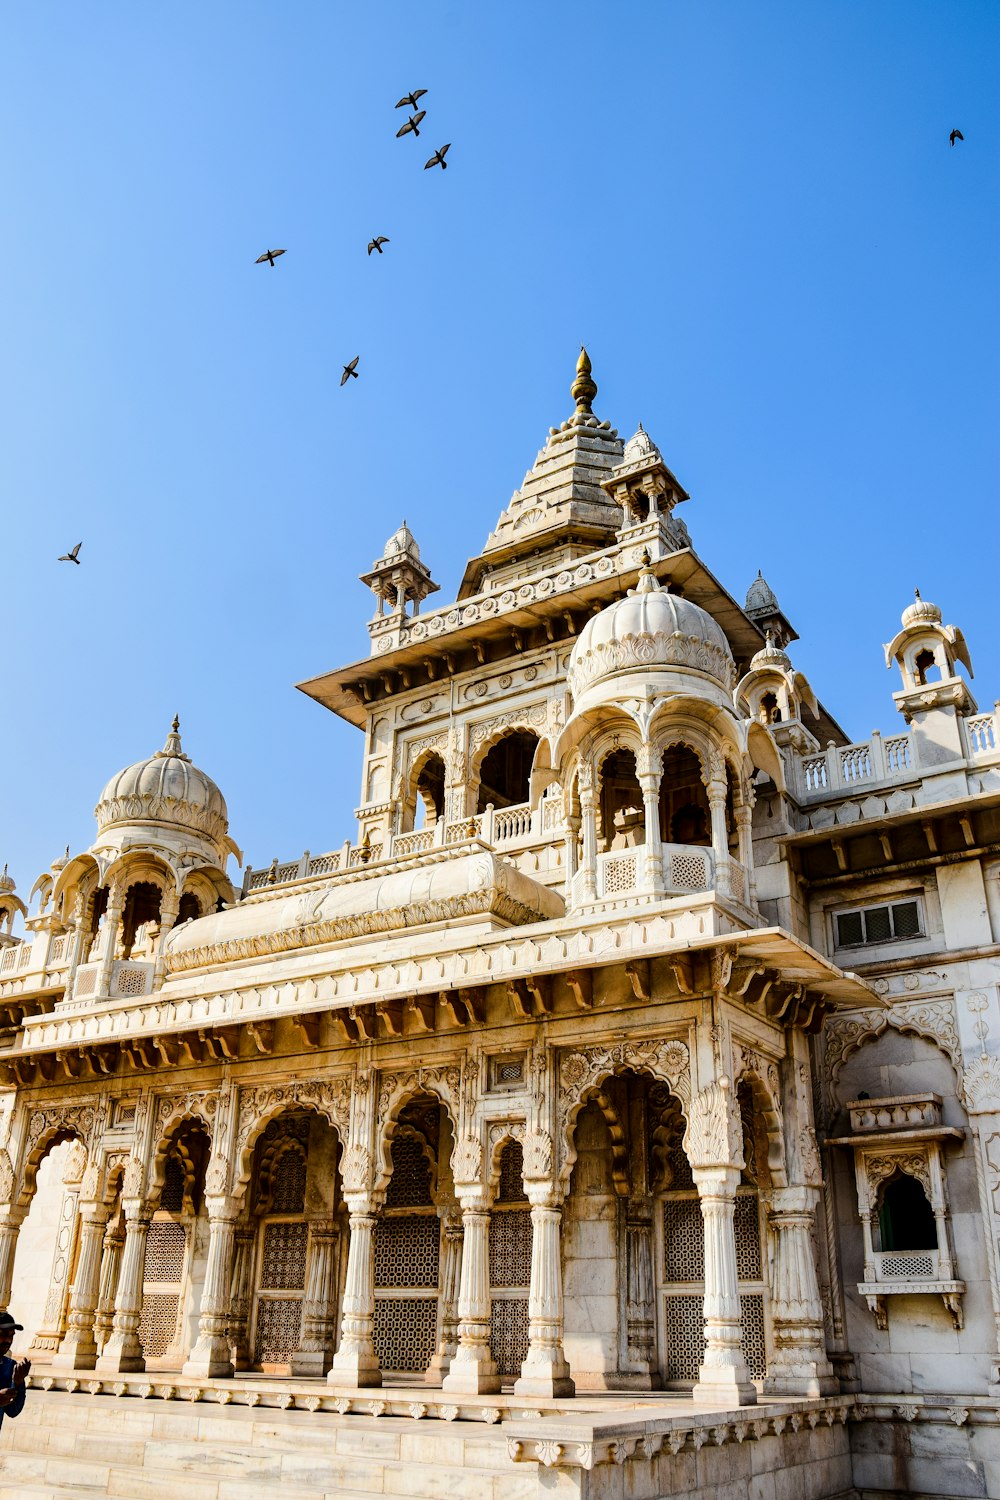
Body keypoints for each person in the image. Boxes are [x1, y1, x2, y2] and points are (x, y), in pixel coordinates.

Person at [0, 1311, 29, 1431]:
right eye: (3, 1334)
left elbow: (13, 1411)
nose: (8, 1340)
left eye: (11, 1335)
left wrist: (18, 1383)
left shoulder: (9, 1366)